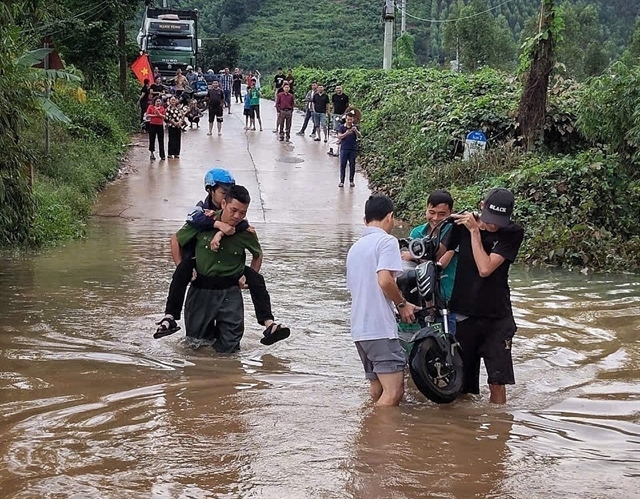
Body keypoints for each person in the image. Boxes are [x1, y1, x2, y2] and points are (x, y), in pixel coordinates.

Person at [160, 177, 290, 350]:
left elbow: (257, 254)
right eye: (233, 210)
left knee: (231, 347)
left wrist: (247, 276)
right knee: (195, 345)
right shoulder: (203, 221)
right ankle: (169, 318)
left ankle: (268, 325)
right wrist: (181, 267)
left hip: (230, 293)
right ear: (223, 204)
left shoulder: (246, 232)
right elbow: (176, 239)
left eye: (243, 213)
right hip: (201, 291)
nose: (237, 216)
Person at [446, 188, 524, 404]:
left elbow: (485, 268)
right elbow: (440, 253)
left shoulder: (512, 233)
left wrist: (474, 232)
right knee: (461, 385)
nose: (493, 225)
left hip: (497, 317)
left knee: (497, 381)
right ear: (482, 206)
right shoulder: (461, 226)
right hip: (464, 314)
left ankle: (498, 423)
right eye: (490, 219)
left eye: (499, 221)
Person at [346, 195, 421, 406]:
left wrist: (401, 302)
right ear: (390, 217)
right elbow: (385, 281)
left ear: (365, 220)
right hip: (379, 330)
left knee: (377, 389)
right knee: (394, 392)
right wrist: (402, 305)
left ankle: (368, 426)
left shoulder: (355, 248)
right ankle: (376, 425)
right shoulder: (387, 241)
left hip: (360, 330)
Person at [402, 190, 458, 333]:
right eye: (432, 212)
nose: (435, 218)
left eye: (442, 214)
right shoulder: (417, 233)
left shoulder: (455, 232)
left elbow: (441, 264)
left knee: (449, 340)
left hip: (448, 299)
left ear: (450, 213)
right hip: (422, 300)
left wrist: (413, 256)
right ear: (426, 210)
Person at [336, 110, 361, 187]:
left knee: (352, 165)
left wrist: (356, 131)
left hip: (353, 148)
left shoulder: (355, 127)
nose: (349, 121)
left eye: (351, 119)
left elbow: (359, 136)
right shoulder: (342, 127)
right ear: (346, 119)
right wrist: (346, 133)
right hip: (344, 148)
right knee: (342, 165)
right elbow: (339, 136)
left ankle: (351, 181)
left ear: (353, 119)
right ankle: (342, 181)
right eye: (348, 119)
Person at [145, 97, 166, 161]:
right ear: (154, 102)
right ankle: (152, 153)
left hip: (160, 125)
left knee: (161, 140)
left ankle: (162, 155)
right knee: (152, 139)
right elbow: (147, 115)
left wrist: (159, 114)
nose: (158, 102)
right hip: (152, 125)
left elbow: (164, 116)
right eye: (157, 101)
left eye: (159, 101)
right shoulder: (151, 107)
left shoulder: (162, 108)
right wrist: (155, 115)